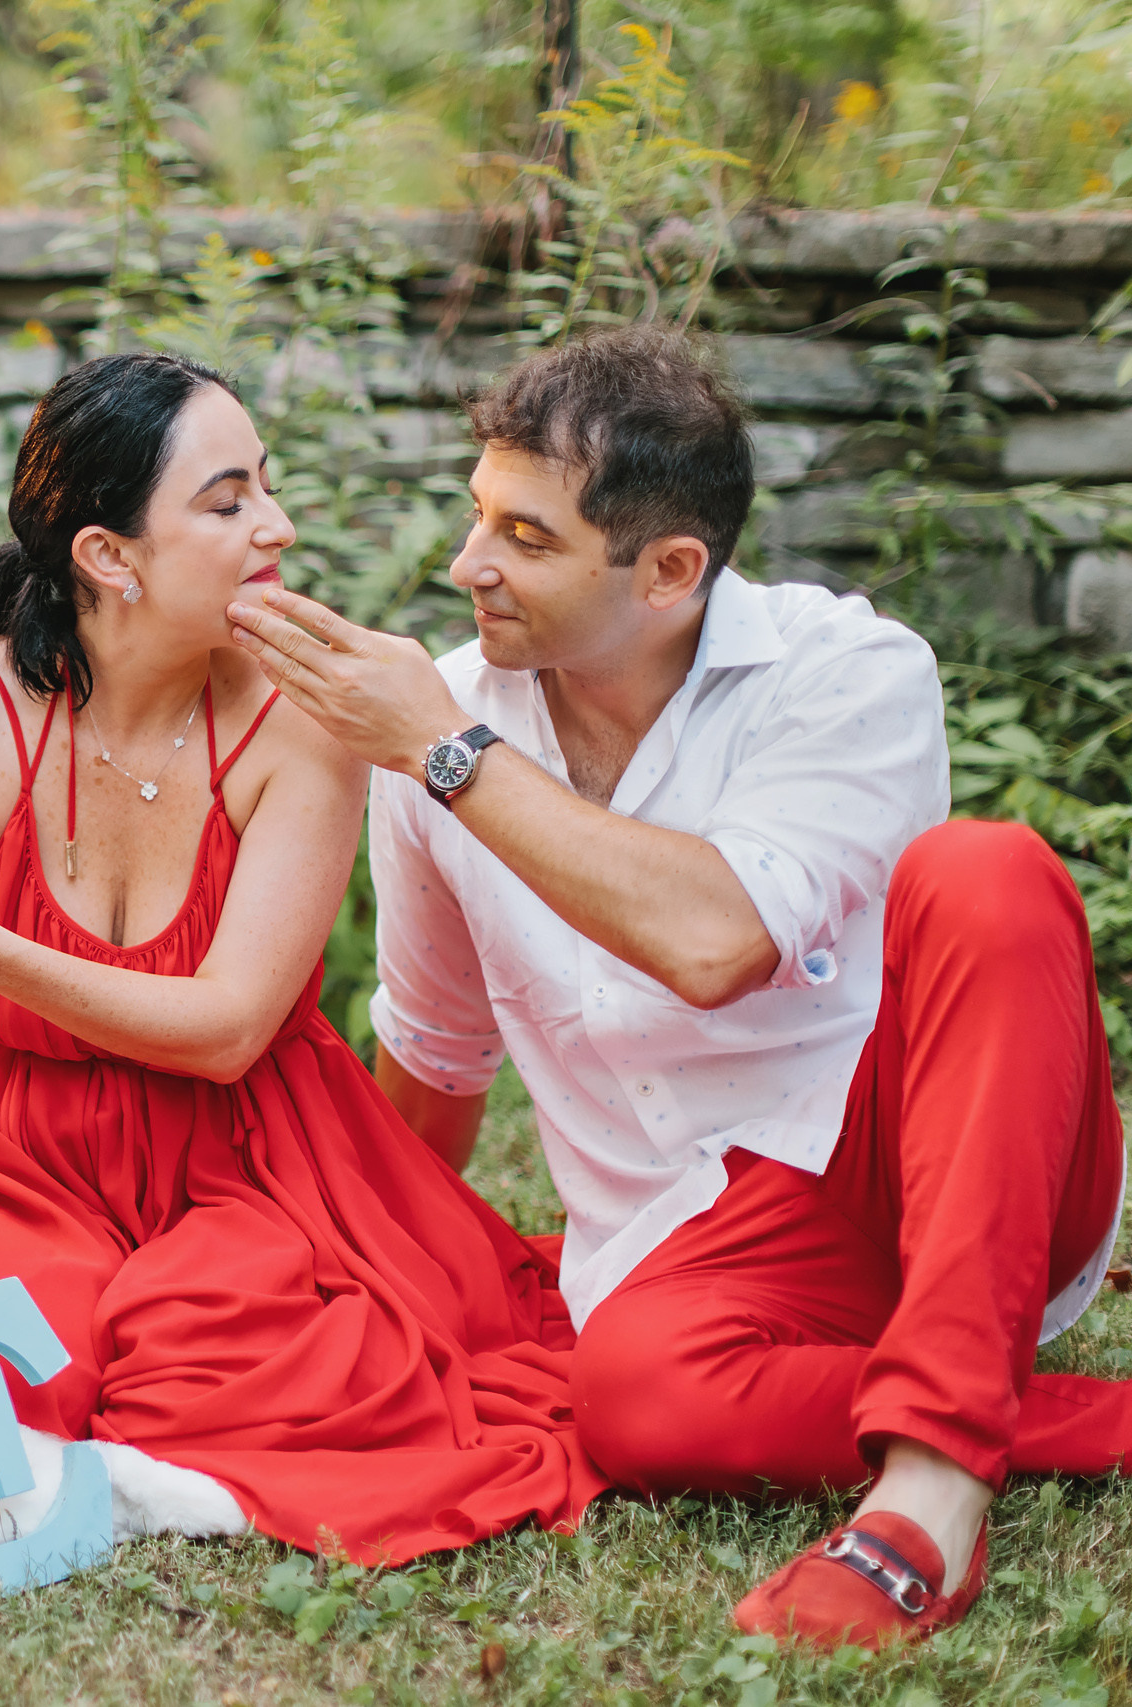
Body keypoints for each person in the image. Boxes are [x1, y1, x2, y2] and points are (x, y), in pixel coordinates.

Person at [222, 324, 1128, 1647]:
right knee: (634, 1399)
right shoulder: (437, 730)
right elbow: (436, 1053)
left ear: (669, 572)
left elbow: (716, 942)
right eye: (478, 514)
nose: (468, 564)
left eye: (525, 538)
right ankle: (1036, 1406)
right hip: (696, 1253)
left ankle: (930, 1491)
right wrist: (387, 1290)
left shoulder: (845, 670)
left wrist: (444, 751)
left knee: (988, 872)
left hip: (938, 1171)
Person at [0, 351, 608, 1563]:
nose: (277, 526)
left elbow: (230, 1027)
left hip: (249, 1156)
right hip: (11, 1149)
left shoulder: (300, 722)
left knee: (232, 1385)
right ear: (109, 556)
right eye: (228, 500)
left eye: (267, 487)